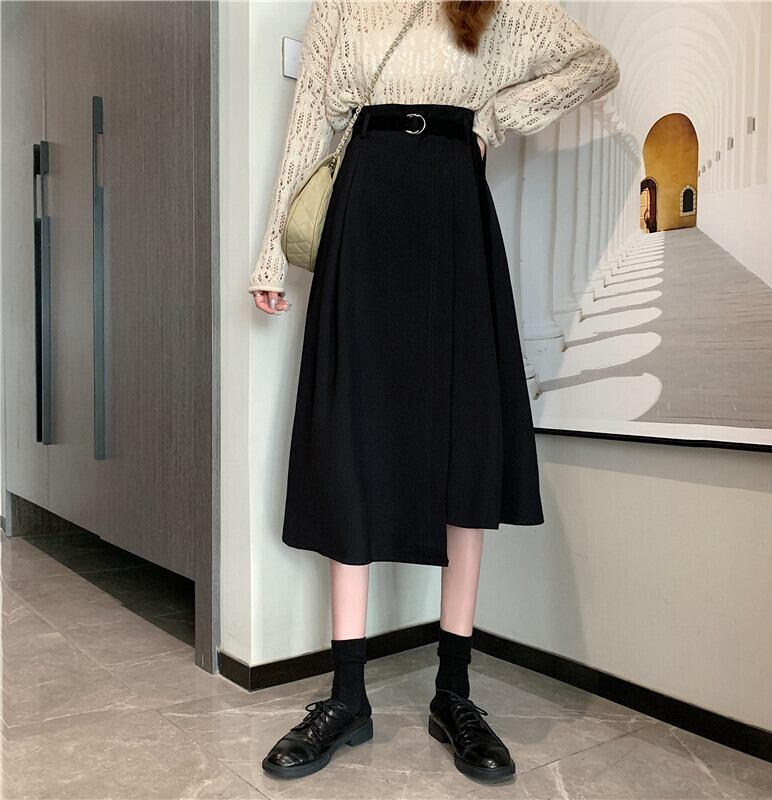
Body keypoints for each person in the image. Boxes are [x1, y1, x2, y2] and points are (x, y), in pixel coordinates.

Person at [249, 0, 620, 784]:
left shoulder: (493, 6)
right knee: (349, 441)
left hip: (454, 214)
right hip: (364, 212)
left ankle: (454, 692)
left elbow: (595, 64)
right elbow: (308, 120)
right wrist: (271, 252)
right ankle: (346, 697)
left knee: (464, 436)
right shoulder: (342, 6)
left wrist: (498, 115)